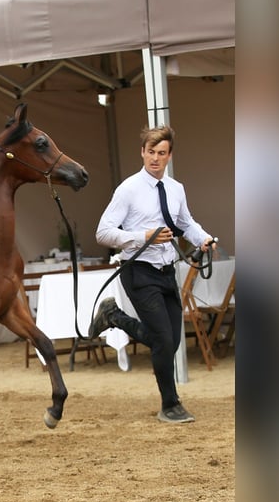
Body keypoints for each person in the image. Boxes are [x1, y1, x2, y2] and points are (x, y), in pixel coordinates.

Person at [89, 125, 215, 423]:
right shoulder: (128, 190)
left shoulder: (176, 189)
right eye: (150, 152)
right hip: (138, 272)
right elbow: (103, 233)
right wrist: (141, 236)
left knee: (170, 342)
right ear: (142, 152)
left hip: (166, 271)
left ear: (169, 155)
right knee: (162, 338)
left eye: (161, 153)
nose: (155, 159)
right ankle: (170, 405)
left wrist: (204, 239)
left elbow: (186, 223)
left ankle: (114, 316)